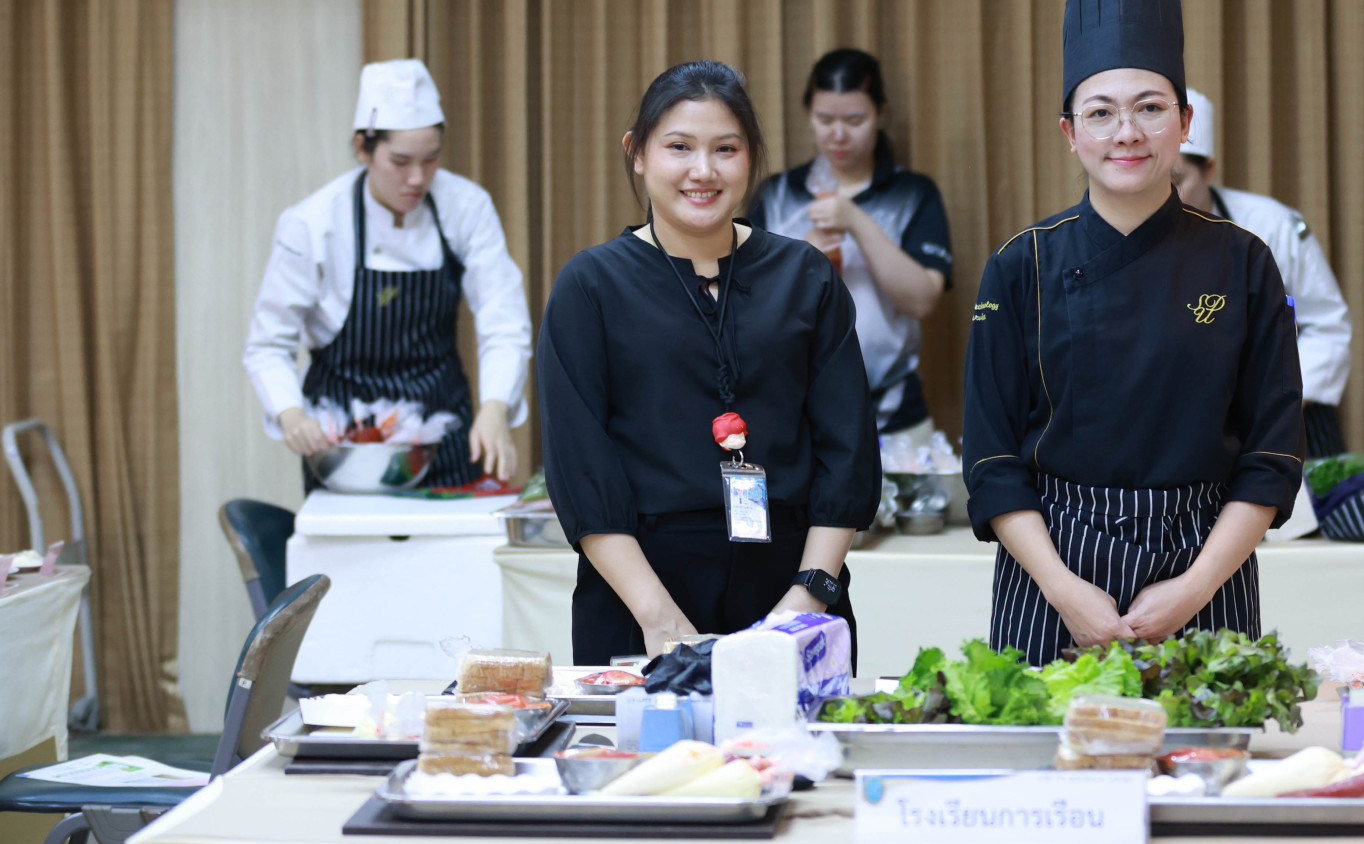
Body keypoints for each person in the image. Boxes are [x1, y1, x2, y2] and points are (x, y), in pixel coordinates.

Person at [962, 0, 1304, 664]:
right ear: (1069, 132)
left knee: (1204, 739)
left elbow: (1272, 455)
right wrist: (1065, 590)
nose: (1127, 133)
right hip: (1052, 573)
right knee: (1050, 738)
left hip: (1203, 570)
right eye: (1101, 113)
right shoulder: (1019, 264)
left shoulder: (1243, 262)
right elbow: (992, 458)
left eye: (1150, 108)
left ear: (1184, 122)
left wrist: (1194, 587)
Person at [538, 60, 880, 663]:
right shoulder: (591, 285)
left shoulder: (804, 275)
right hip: (640, 597)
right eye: (679, 147)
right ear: (637, 153)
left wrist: (807, 599)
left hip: (795, 586)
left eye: (726, 149)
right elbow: (580, 467)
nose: (703, 170)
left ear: (751, 157)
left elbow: (847, 450)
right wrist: (657, 616)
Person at [244, 59, 531, 490]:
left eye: (431, 159)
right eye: (400, 161)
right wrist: (291, 414)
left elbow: (503, 321)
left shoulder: (466, 207)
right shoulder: (313, 223)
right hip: (346, 445)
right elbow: (268, 343)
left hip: (443, 433)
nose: (417, 178)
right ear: (363, 148)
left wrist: (495, 408)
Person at [748, 49, 953, 440]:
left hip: (893, 414)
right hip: (793, 412)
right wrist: (802, 256)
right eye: (825, 120)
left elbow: (922, 300)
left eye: (855, 120)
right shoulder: (775, 194)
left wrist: (857, 222)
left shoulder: (913, 193)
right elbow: (748, 305)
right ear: (809, 114)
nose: (838, 135)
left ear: (880, 114)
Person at [1169, 92, 1354, 457]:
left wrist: (1274, 401)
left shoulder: (1271, 225)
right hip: (1180, 428)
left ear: (1209, 169)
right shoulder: (1124, 237)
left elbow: (1327, 327)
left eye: (1176, 181)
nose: (1165, 197)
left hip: (1282, 413)